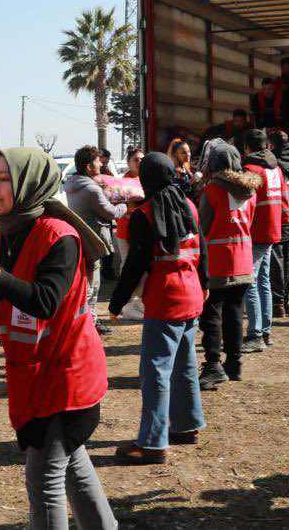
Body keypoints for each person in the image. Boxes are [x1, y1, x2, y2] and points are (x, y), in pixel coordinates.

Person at [0, 147, 115, 530]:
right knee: (74, 466)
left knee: (44, 481)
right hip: (31, 375)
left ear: (29, 183)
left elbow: (44, 301)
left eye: (4, 179)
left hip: (67, 376)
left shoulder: (61, 236)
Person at [108, 153, 208, 465]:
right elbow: (202, 249)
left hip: (165, 301)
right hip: (192, 296)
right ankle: (187, 425)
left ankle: (152, 443)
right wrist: (205, 285)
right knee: (185, 365)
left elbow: (134, 266)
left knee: (155, 372)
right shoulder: (188, 205)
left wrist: (116, 303)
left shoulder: (145, 215)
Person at [195, 144, 260, 390]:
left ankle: (213, 365)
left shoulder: (212, 190)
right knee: (234, 313)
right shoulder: (251, 191)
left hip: (219, 260)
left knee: (212, 314)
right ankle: (235, 363)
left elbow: (203, 228)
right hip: (244, 258)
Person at [63, 145, 130, 336]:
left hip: (82, 239)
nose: (101, 164)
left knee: (87, 283)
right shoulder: (91, 189)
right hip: (93, 241)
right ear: (88, 167)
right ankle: (88, 323)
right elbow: (110, 213)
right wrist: (126, 205)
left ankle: (87, 320)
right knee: (92, 285)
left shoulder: (74, 185)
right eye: (97, 161)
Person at [241, 129, 285, 352]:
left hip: (256, 231)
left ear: (247, 148)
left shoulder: (251, 169)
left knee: (250, 281)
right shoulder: (275, 168)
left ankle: (255, 334)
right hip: (272, 230)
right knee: (263, 281)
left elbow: (245, 202)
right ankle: (265, 331)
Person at [268, 130, 289, 317]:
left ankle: (278, 302)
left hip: (277, 219)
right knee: (286, 263)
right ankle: (285, 301)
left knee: (276, 264)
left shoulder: (275, 168)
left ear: (272, 146)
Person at [116, 147, 145, 320]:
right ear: (128, 163)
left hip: (141, 230)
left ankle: (137, 303)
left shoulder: (145, 178)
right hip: (127, 230)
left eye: (142, 159)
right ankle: (127, 305)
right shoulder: (124, 182)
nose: (139, 162)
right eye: (136, 159)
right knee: (129, 266)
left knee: (141, 268)